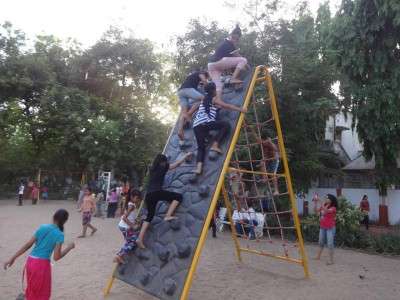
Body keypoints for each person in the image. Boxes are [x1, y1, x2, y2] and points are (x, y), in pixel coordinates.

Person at [3, 209, 75, 300]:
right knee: (41, 293)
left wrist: (12, 258)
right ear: (65, 221)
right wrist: (69, 247)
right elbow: (56, 257)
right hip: (41, 265)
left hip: (30, 262)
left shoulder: (43, 227)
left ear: (54, 217)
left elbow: (27, 245)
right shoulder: (60, 234)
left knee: (32, 289)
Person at [136, 152, 192, 249]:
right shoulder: (163, 166)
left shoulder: (152, 169)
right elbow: (176, 164)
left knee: (150, 216)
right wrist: (185, 156)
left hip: (148, 195)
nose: (166, 163)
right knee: (178, 197)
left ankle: (139, 239)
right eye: (165, 161)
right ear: (163, 162)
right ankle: (168, 215)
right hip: (157, 192)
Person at [192, 82, 246, 174]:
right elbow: (226, 106)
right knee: (226, 125)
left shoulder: (204, 100)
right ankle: (215, 145)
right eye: (215, 89)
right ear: (213, 91)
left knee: (201, 148)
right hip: (206, 123)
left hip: (196, 126)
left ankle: (198, 168)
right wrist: (241, 109)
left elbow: (213, 108)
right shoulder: (213, 99)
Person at [208, 25, 248, 101]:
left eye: (236, 39)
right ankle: (233, 79)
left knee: (218, 86)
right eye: (233, 38)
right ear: (230, 36)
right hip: (218, 62)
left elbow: (230, 64)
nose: (234, 40)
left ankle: (218, 101)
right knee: (243, 60)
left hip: (211, 66)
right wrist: (248, 67)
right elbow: (237, 55)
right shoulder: (228, 44)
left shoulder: (225, 44)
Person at [114, 189, 146, 264]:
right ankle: (119, 256)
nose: (138, 200)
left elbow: (131, 217)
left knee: (129, 241)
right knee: (132, 241)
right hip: (125, 227)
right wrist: (132, 226)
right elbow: (124, 218)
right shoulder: (131, 205)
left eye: (139, 199)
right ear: (132, 197)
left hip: (124, 226)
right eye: (137, 198)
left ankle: (120, 257)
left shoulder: (131, 204)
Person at [177, 71, 209, 143]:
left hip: (180, 92)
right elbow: (204, 80)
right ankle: (189, 115)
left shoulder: (191, 76)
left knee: (184, 113)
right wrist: (208, 87)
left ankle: (180, 130)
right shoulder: (201, 73)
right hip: (187, 90)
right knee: (204, 99)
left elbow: (197, 85)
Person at [314, 194, 338, 265]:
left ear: (331, 200)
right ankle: (318, 257)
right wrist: (315, 203)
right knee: (321, 242)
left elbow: (326, 211)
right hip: (322, 227)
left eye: (327, 198)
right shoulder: (324, 205)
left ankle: (331, 260)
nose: (326, 199)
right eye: (326, 198)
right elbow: (316, 212)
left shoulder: (333, 208)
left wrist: (320, 202)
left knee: (330, 244)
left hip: (330, 228)